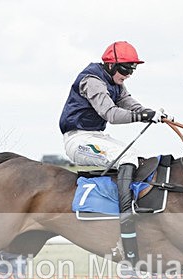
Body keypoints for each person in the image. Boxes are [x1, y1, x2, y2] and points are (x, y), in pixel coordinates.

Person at [59, 41, 166, 264]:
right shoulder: (92, 81)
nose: (128, 75)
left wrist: (153, 113)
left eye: (132, 70)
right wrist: (143, 117)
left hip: (95, 136)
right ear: (110, 65)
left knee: (138, 158)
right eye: (125, 69)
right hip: (78, 139)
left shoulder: (116, 83)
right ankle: (125, 217)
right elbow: (111, 114)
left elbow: (129, 104)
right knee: (127, 157)